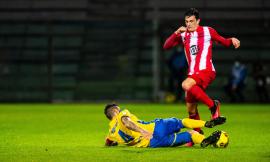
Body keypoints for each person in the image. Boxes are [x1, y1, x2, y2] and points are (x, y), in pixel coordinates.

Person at [163, 8, 240, 133]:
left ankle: (213, 106)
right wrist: (176, 32)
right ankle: (197, 135)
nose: (188, 24)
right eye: (186, 21)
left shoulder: (208, 31)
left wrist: (232, 39)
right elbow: (166, 46)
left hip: (206, 70)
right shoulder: (184, 35)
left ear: (198, 21)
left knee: (185, 84)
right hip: (193, 74)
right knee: (191, 109)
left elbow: (224, 42)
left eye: (191, 21)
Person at [104, 103, 226, 148]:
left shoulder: (111, 133)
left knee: (191, 134)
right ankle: (207, 123)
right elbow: (127, 122)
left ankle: (204, 141)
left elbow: (108, 142)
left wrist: (112, 143)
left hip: (153, 143)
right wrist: (142, 131)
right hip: (155, 128)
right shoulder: (121, 114)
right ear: (115, 110)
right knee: (181, 122)